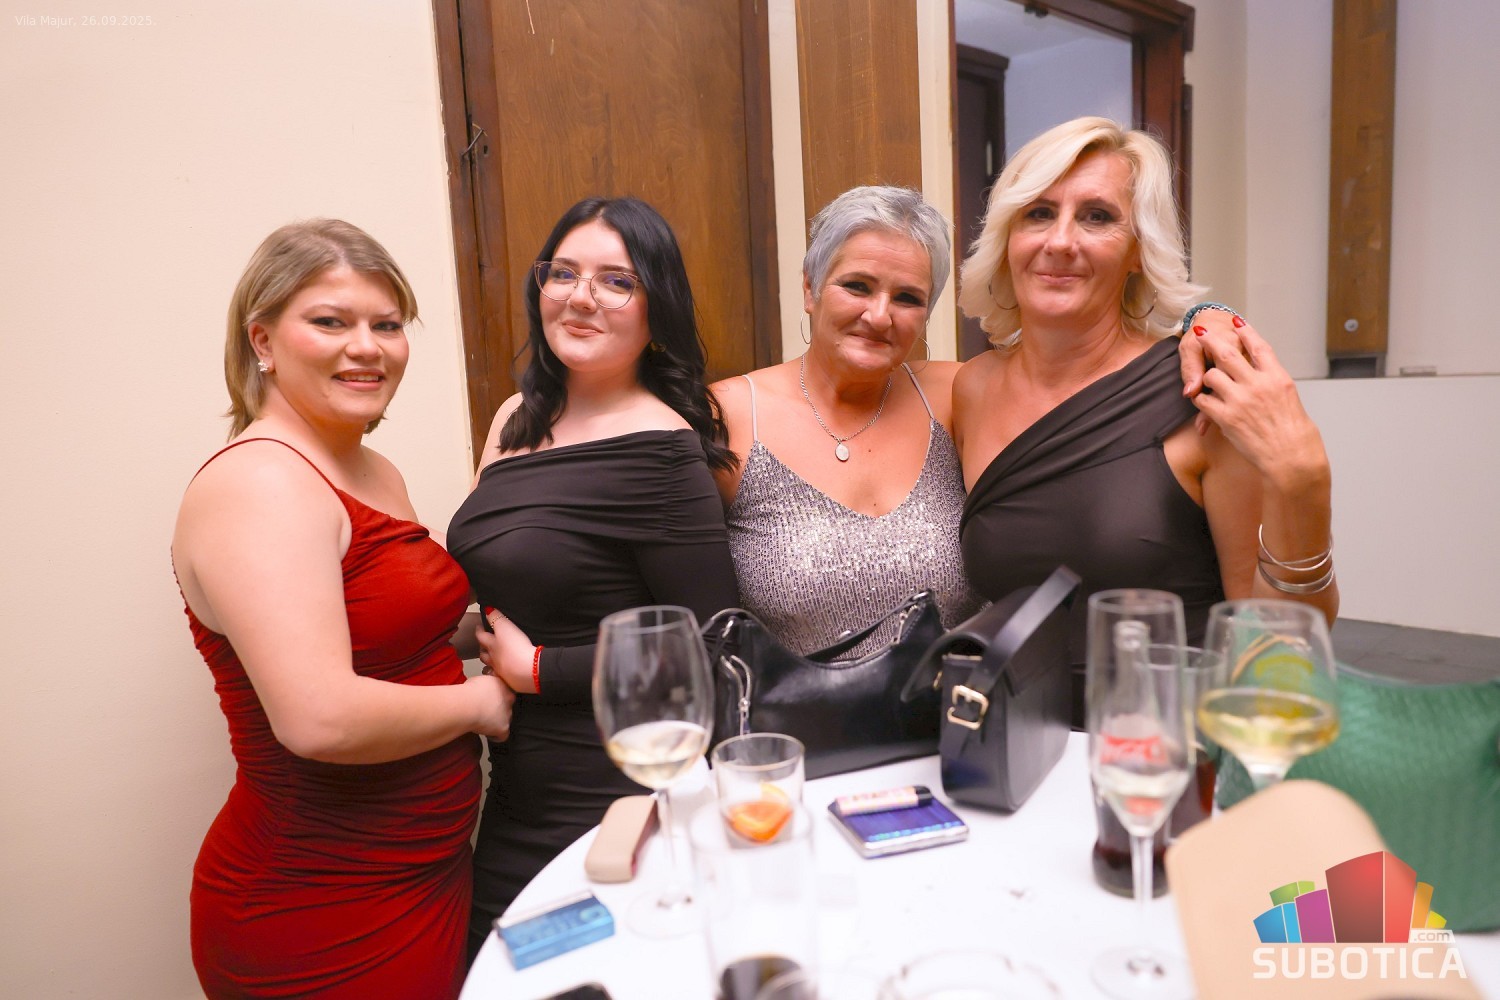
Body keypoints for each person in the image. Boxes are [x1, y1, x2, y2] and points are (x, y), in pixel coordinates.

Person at [171, 220, 515, 999]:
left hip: (424, 874)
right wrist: (482, 704)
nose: (368, 347)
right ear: (262, 340)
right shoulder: (260, 484)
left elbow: (389, 637)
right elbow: (317, 717)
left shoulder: (371, 468)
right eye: (331, 321)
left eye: (387, 325)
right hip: (316, 905)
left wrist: (508, 635)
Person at [954, 116, 1339, 725]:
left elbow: (1276, 637)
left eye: (1097, 217)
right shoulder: (969, 388)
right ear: (1007, 236)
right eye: (1038, 213)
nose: (1060, 240)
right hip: (1016, 744)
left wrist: (1305, 484)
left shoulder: (1201, 391)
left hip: (1165, 747)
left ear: (1138, 250)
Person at [446, 197, 740, 957]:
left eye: (616, 281)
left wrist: (540, 669)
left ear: (656, 309)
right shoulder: (514, 418)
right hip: (513, 782)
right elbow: (507, 586)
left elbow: (710, 646)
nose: (581, 297)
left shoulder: (664, 450)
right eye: (564, 273)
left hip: (611, 794)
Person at [713, 185, 982, 656]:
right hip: (797, 703)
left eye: (907, 298)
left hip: (956, 700)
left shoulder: (958, 396)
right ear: (810, 289)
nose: (879, 316)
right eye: (857, 286)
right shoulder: (729, 415)